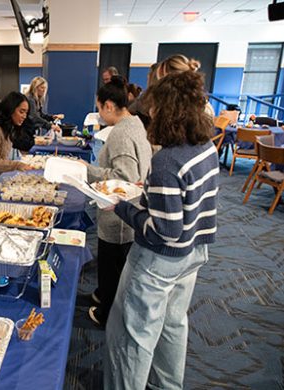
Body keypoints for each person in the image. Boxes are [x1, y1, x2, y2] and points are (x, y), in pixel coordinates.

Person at [104, 70, 218, 390]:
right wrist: (153, 191)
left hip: (159, 260)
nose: (149, 115)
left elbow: (164, 231)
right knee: (172, 326)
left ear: (166, 110)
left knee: (132, 339)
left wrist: (123, 206)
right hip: (194, 253)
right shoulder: (205, 146)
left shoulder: (167, 160)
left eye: (153, 109)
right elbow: (192, 199)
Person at [84, 76, 152, 328]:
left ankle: (106, 314)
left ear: (109, 106)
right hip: (129, 209)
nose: (99, 114)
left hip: (119, 213)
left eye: (100, 108)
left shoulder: (121, 134)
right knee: (112, 265)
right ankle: (103, 294)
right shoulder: (134, 123)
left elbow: (124, 177)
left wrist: (88, 171)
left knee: (113, 264)